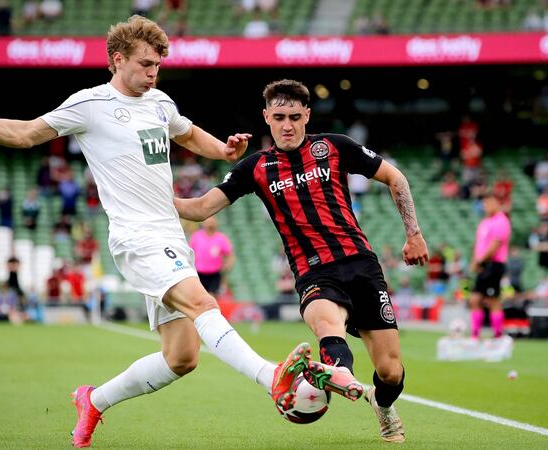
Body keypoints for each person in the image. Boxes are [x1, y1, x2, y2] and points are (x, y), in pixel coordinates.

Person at [0, 16, 309, 448]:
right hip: (136, 236)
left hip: (171, 235)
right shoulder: (89, 104)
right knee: (201, 300)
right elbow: (26, 134)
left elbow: (187, 133)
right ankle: (271, 379)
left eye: (158, 66)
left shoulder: (159, 102)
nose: (153, 73)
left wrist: (224, 149)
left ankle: (93, 400)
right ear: (117, 60)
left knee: (182, 358)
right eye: (146, 64)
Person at [174, 79, 430, 443]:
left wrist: (414, 233)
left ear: (307, 114)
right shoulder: (256, 168)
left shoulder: (335, 147)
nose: (288, 124)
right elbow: (199, 208)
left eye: (295, 116)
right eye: (279, 117)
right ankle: (339, 372)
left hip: (361, 264)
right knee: (328, 323)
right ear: (266, 118)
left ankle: (382, 405)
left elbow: (394, 177)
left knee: (390, 372)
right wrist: (151, 195)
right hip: (313, 270)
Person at [468, 194, 512, 339]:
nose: (486, 206)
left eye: (489, 203)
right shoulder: (484, 222)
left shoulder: (501, 221)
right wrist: (475, 261)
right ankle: (475, 335)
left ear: (497, 203)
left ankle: (498, 335)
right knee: (475, 299)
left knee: (493, 299)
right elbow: (479, 245)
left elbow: (494, 246)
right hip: (483, 264)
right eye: (485, 204)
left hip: (494, 265)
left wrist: (479, 261)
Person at [188, 216, 234, 295]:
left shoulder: (221, 238)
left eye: (212, 222)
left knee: (213, 296)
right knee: (200, 296)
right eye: (208, 222)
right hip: (199, 273)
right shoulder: (196, 236)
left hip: (215, 274)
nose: (210, 225)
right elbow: (189, 252)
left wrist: (227, 266)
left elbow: (229, 254)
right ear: (203, 224)